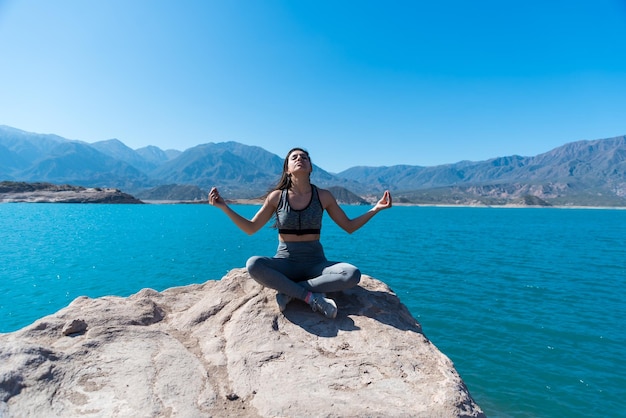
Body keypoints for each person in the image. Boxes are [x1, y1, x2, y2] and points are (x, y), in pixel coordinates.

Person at [208, 147, 392, 319]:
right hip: (286, 262)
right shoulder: (277, 197)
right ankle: (310, 298)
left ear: (310, 167)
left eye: (304, 157)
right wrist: (224, 207)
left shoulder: (323, 196)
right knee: (254, 264)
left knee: (352, 274)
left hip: (316, 264)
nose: (299, 159)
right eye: (294, 157)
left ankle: (290, 292)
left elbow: (349, 226)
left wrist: (375, 209)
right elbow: (251, 227)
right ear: (287, 169)